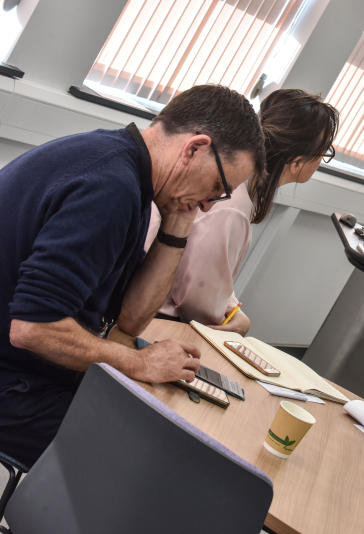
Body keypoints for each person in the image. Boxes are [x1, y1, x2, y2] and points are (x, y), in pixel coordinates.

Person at [0, 85, 265, 467]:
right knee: (148, 463)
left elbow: (130, 318)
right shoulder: (111, 188)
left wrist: (178, 224)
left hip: (24, 367)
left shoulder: (127, 170)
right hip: (13, 379)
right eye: (215, 188)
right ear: (194, 148)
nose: (209, 205)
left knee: (155, 427)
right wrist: (139, 362)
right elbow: (33, 328)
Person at [144, 89, 339, 336]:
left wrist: (234, 309)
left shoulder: (237, 192)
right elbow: (197, 304)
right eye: (324, 152)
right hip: (156, 322)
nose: (321, 161)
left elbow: (207, 274)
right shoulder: (233, 203)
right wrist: (238, 322)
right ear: (297, 161)